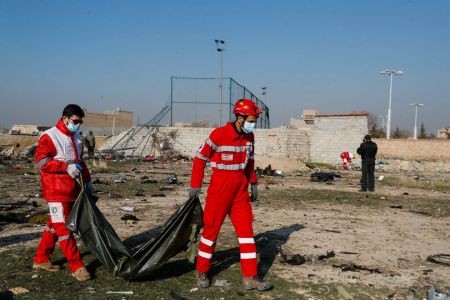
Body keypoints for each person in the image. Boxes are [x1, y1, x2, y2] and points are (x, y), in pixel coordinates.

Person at [189, 99, 273, 291]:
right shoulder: (219, 134)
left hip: (240, 193)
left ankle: (250, 277)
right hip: (219, 191)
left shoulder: (249, 137)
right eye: (251, 120)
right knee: (210, 233)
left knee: (246, 235)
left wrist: (253, 183)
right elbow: (200, 157)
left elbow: (250, 161)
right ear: (239, 117)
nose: (253, 124)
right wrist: (195, 184)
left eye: (254, 120)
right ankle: (201, 271)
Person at [33, 104, 94, 281]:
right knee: (64, 229)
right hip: (55, 191)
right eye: (76, 121)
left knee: (54, 224)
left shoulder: (77, 138)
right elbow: (41, 162)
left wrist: (88, 181)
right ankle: (77, 266)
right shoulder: (49, 136)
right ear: (65, 118)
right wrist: (65, 167)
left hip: (72, 189)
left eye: (80, 122)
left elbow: (80, 161)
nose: (78, 124)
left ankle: (41, 258)